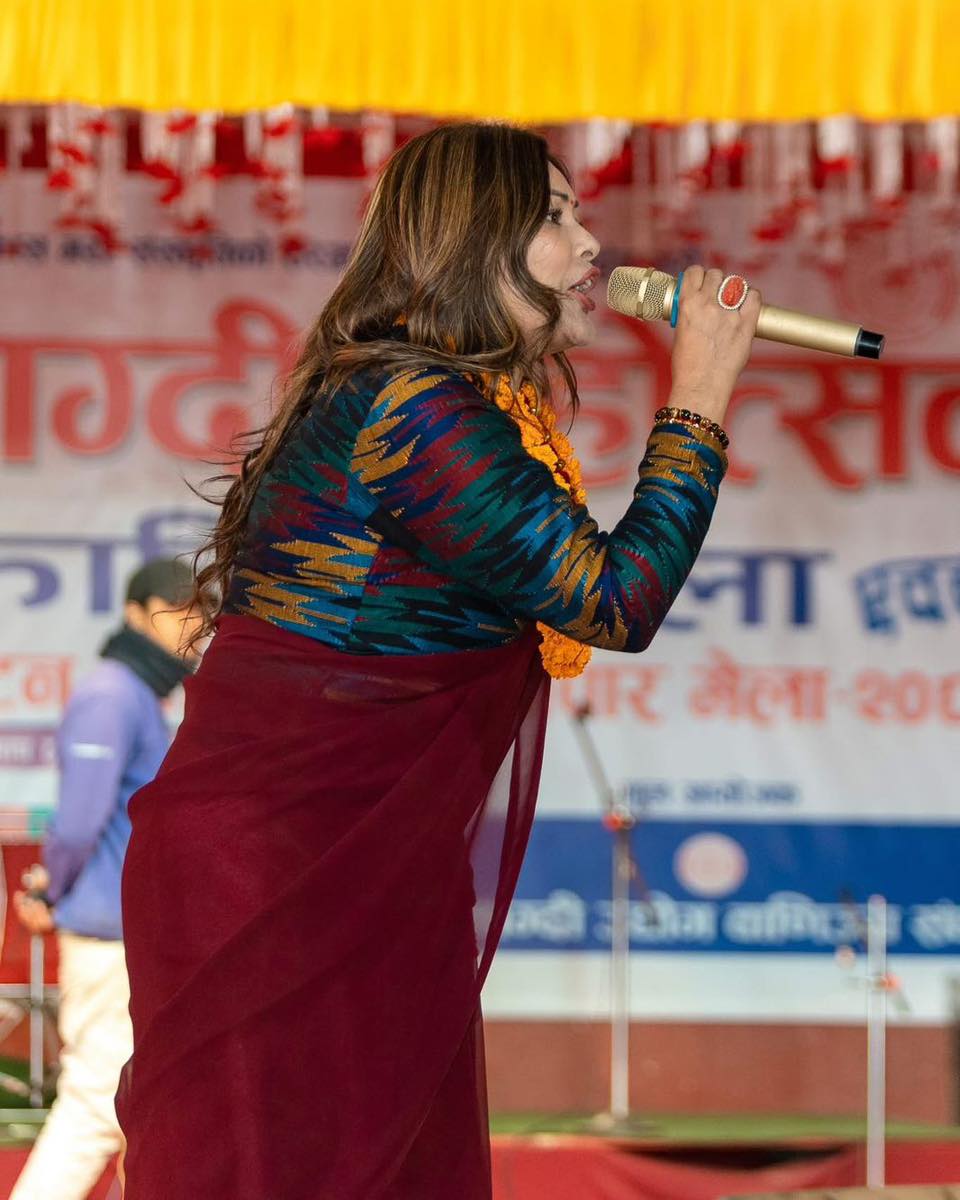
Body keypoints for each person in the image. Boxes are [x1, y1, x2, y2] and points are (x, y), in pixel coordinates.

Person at [116, 123, 761, 1200]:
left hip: (371, 863)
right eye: (554, 217)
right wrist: (697, 399)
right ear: (474, 240)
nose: (590, 244)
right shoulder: (411, 407)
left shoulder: (436, 399)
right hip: (273, 867)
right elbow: (613, 600)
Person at [10, 559, 202, 1200]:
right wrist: (51, 892)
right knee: (97, 1101)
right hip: (107, 936)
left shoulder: (141, 696)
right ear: (135, 614)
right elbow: (78, 822)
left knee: (143, 1107)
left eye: (200, 613)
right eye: (177, 611)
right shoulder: (112, 696)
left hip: (133, 933)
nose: (192, 626)